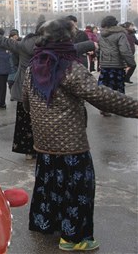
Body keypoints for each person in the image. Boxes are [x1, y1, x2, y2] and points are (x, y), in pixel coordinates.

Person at [21, 18, 138, 251]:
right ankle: (75, 238)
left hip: (44, 144)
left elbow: (25, 103)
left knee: (50, 185)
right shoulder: (70, 68)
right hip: (71, 144)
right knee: (78, 189)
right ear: (65, 39)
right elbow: (102, 96)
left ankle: (46, 223)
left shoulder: (33, 67)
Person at [0, 20, 95, 159]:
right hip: (46, 89)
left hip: (24, 89)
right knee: (43, 122)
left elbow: (5, 42)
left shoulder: (23, 44)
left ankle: (27, 151)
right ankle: (45, 149)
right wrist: (91, 44)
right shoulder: (53, 45)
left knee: (24, 122)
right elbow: (74, 48)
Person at [97, 16, 136, 116]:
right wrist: (131, 63)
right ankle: (120, 109)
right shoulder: (120, 34)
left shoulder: (101, 35)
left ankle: (104, 108)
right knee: (117, 89)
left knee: (104, 88)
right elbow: (125, 50)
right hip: (117, 65)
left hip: (105, 65)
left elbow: (100, 50)